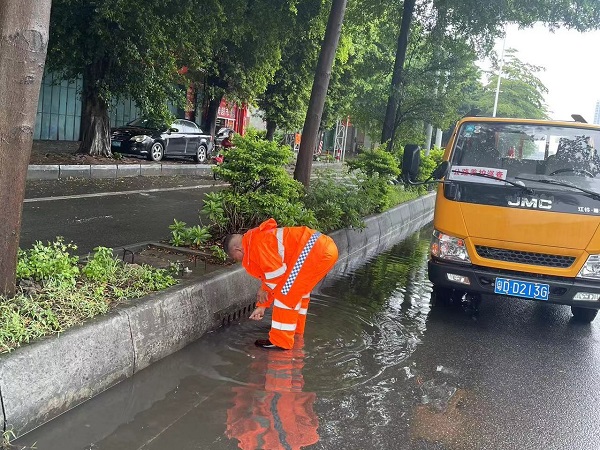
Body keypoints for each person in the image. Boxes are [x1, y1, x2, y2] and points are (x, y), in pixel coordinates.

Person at [223, 218, 338, 349]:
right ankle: (294, 331)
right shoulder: (255, 240)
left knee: (285, 294)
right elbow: (272, 276)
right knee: (298, 293)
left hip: (315, 252)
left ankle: (280, 342)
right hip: (324, 250)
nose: (237, 260)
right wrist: (262, 305)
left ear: (238, 250)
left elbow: (276, 277)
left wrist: (263, 299)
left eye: (234, 257)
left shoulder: (256, 246)